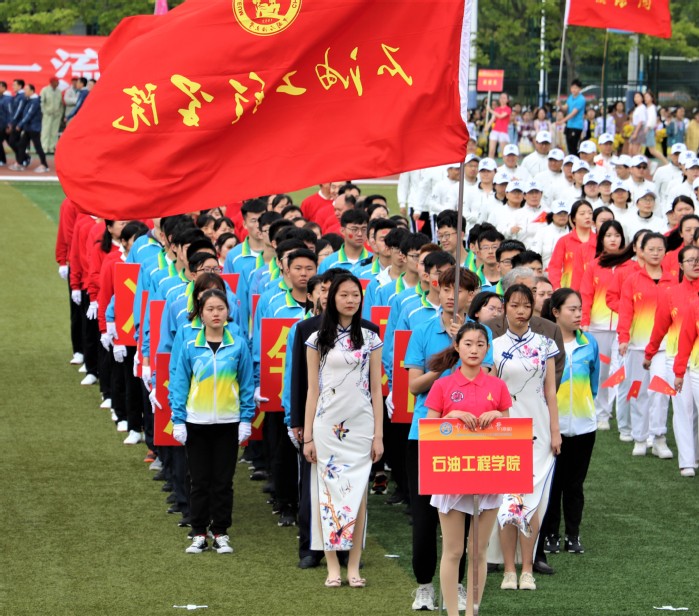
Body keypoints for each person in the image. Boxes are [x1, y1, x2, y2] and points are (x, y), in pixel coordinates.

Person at [425, 322, 512, 616]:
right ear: (457, 347)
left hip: (488, 473)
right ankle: (452, 612)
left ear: (487, 349)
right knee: (453, 550)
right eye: (468, 344)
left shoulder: (497, 386)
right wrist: (452, 415)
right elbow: (431, 429)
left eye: (480, 344)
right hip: (452, 473)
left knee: (478, 550)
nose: (474, 350)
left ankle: (473, 610)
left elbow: (509, 428)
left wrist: (497, 414)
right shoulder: (443, 385)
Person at [303, 274, 383, 588]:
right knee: (327, 494)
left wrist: (378, 434)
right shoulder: (316, 339)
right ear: (331, 298)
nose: (350, 300)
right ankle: (332, 565)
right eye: (344, 295)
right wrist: (307, 435)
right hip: (326, 425)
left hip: (362, 424)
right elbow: (312, 390)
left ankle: (353, 564)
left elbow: (377, 389)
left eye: (355, 295)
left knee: (359, 494)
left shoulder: (371, 338)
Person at [169, 289, 255, 554]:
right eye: (210, 309)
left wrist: (246, 419)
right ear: (200, 314)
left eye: (221, 308)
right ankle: (198, 533)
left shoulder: (238, 344)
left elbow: (246, 384)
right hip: (196, 422)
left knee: (223, 481)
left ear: (228, 311)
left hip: (229, 423)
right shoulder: (189, 345)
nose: (216, 314)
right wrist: (178, 420)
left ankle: (220, 532)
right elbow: (179, 383)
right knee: (199, 480)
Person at [490, 284, 560, 591]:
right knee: (509, 502)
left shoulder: (545, 345)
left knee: (535, 502)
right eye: (515, 305)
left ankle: (527, 568)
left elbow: (551, 393)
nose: (520, 311)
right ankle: (508, 569)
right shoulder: (492, 345)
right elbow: (490, 392)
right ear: (504, 307)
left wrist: (555, 431)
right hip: (506, 429)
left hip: (540, 431)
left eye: (526, 306)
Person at [540, 289, 599, 556]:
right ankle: (550, 534)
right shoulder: (545, 345)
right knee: (552, 484)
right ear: (555, 312)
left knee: (575, 485)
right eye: (571, 309)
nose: (577, 314)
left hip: (585, 427)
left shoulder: (590, 343)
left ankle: (573, 535)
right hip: (554, 426)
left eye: (579, 309)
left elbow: (594, 383)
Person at [617, 233, 674, 457]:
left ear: (665, 252)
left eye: (660, 249)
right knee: (638, 392)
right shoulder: (632, 280)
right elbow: (625, 312)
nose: (655, 253)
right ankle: (640, 438)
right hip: (637, 345)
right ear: (641, 251)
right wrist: (623, 338)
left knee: (660, 392)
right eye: (651, 248)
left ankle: (659, 437)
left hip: (664, 346)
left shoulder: (672, 280)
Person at [645, 245, 699, 474]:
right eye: (691, 260)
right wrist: (650, 352)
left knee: (695, 411)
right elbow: (659, 327)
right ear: (680, 265)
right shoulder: (670, 293)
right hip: (674, 359)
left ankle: (694, 453)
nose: (696, 264)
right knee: (683, 408)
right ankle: (687, 461)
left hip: (695, 360)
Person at [548, 200, 596, 289]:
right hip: (569, 290)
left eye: (590, 213)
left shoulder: (599, 241)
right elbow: (555, 267)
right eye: (582, 214)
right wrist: (557, 287)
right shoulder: (564, 241)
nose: (587, 216)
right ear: (573, 218)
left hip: (595, 290)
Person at [558, 79, 586, 155]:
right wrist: (560, 105)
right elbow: (565, 108)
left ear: (580, 89)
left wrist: (563, 120)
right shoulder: (570, 97)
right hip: (569, 125)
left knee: (574, 147)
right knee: (569, 147)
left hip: (576, 126)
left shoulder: (581, 99)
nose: (573, 89)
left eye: (576, 88)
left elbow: (573, 113)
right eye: (572, 87)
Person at [40, 77, 63, 154]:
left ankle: (51, 148)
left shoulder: (59, 91)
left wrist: (60, 113)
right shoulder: (45, 90)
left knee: (54, 132)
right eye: (56, 82)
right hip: (47, 114)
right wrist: (44, 112)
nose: (58, 83)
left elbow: (61, 104)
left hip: (56, 115)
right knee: (46, 131)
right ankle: (44, 147)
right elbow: (41, 102)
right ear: (52, 82)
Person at [487, 92, 512, 159]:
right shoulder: (497, 109)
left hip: (503, 132)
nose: (502, 99)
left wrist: (490, 110)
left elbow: (500, 116)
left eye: (504, 98)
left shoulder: (508, 109)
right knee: (491, 151)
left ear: (507, 100)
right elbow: (493, 119)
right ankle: (490, 166)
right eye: (501, 97)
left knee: (503, 152)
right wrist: (487, 127)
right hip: (495, 131)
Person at [628, 92, 647, 156]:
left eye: (638, 97)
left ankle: (649, 163)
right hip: (635, 128)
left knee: (635, 151)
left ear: (642, 98)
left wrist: (635, 133)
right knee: (632, 150)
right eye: (635, 97)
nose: (636, 98)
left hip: (639, 129)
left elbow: (640, 121)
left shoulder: (642, 107)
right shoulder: (637, 108)